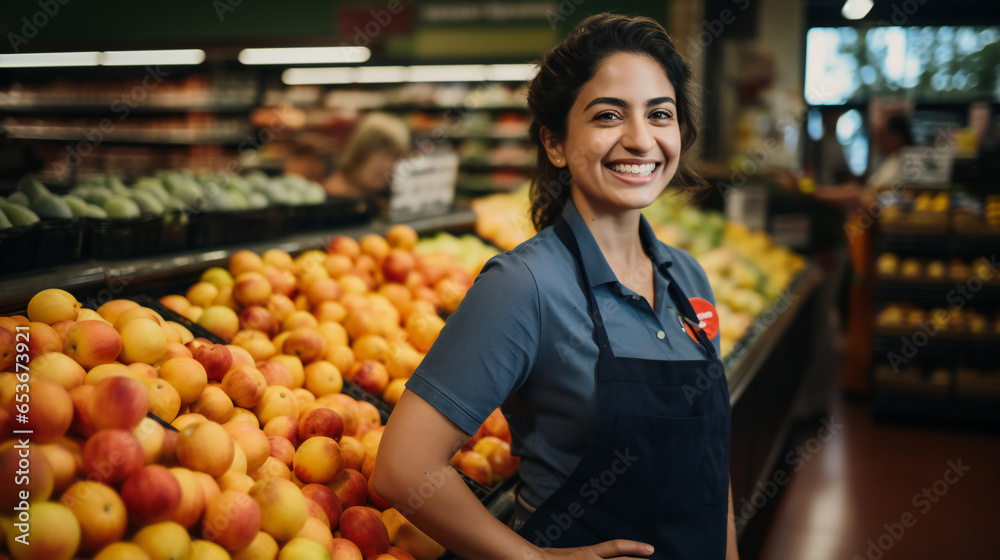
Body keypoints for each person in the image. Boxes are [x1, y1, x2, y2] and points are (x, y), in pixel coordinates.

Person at [373, 13, 738, 560]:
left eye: (659, 114)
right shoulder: (523, 286)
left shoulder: (688, 278)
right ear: (556, 143)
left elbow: (710, 463)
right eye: (609, 115)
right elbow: (402, 469)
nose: (640, 139)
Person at [323, 111, 410, 209]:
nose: (389, 165)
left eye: (396, 157)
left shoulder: (381, 198)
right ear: (362, 151)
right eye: (385, 155)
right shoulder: (329, 200)